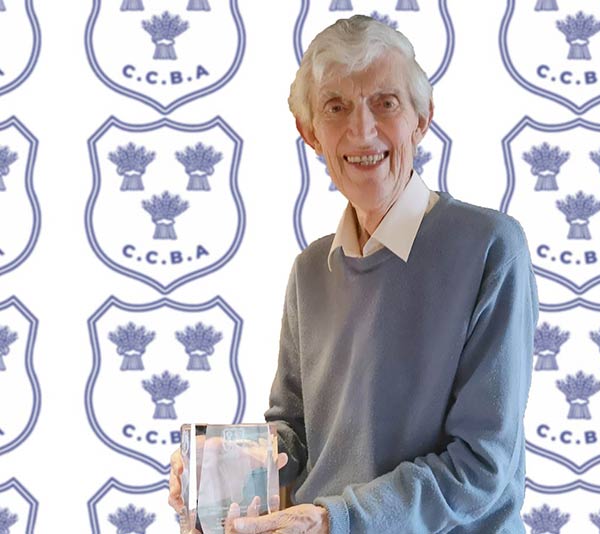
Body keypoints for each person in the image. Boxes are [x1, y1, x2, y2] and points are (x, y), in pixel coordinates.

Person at [170, 14, 538, 533]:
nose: (362, 131)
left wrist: (332, 520)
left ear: (422, 118)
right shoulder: (310, 271)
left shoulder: (490, 247)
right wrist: (221, 472)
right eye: (336, 107)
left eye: (385, 103)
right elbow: (295, 436)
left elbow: (482, 467)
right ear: (310, 133)